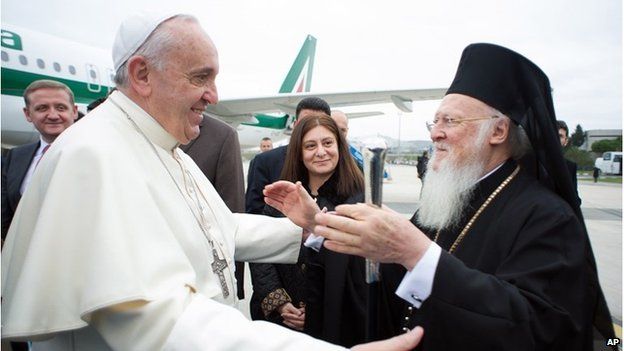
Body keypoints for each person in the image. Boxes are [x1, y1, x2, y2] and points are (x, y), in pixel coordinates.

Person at [1, 12, 423, 351]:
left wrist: (309, 226)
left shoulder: (158, 145)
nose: (214, 95)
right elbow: (160, 321)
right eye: (200, 77)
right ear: (142, 74)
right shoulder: (93, 155)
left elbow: (218, 227)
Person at [266, 43, 615, 350]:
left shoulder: (549, 218)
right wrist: (318, 225)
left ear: (498, 130)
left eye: (450, 121)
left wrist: (415, 251)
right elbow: (391, 281)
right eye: (434, 122)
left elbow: (538, 329)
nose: (436, 134)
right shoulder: (450, 201)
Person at [250, 114, 368, 347]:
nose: (321, 152)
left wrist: (315, 312)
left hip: (334, 321)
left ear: (339, 147)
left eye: (327, 143)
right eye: (310, 146)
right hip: (282, 319)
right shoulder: (285, 194)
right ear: (299, 152)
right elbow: (261, 255)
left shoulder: (360, 200)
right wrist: (280, 304)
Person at [1, 79, 77, 241]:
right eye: (42, 108)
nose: (53, 115)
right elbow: (5, 217)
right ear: (28, 114)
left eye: (61, 107)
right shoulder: (15, 157)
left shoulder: (98, 154)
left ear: (74, 111)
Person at [181, 115, 247, 299]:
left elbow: (231, 211)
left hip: (204, 287)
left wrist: (235, 283)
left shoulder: (221, 135)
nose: (213, 96)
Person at [245, 97, 331, 215]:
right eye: (305, 123)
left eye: (319, 122)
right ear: (295, 125)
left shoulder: (340, 163)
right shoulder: (265, 162)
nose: (312, 128)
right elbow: (254, 214)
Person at [557, 120, 581, 205]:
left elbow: (575, 198)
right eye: (554, 134)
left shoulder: (570, 167)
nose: (556, 138)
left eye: (560, 136)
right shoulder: (534, 163)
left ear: (566, 141)